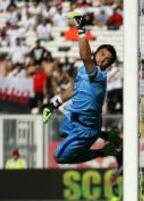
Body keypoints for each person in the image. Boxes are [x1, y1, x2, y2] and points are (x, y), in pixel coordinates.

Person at [42, 11, 121, 165]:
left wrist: (80, 27)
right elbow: (74, 87)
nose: (102, 59)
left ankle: (104, 151)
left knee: (59, 158)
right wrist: (53, 105)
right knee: (63, 132)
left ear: (108, 66)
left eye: (107, 60)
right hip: (76, 118)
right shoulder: (85, 70)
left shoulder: (99, 74)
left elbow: (85, 56)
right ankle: (107, 136)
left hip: (86, 126)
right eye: (102, 54)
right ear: (96, 52)